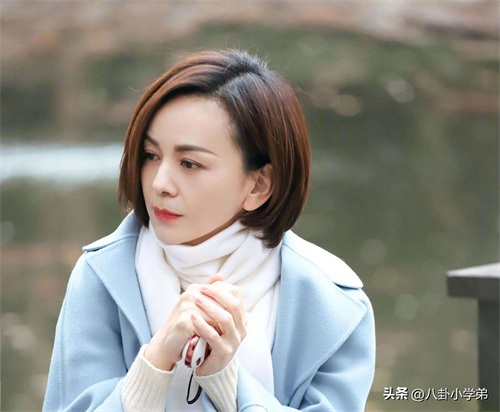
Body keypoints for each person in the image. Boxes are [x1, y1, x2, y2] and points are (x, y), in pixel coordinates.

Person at [43, 49, 375, 412]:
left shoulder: (333, 305)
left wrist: (226, 381)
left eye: (189, 163)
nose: (160, 184)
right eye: (151, 155)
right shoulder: (102, 277)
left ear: (259, 185)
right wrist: (155, 362)